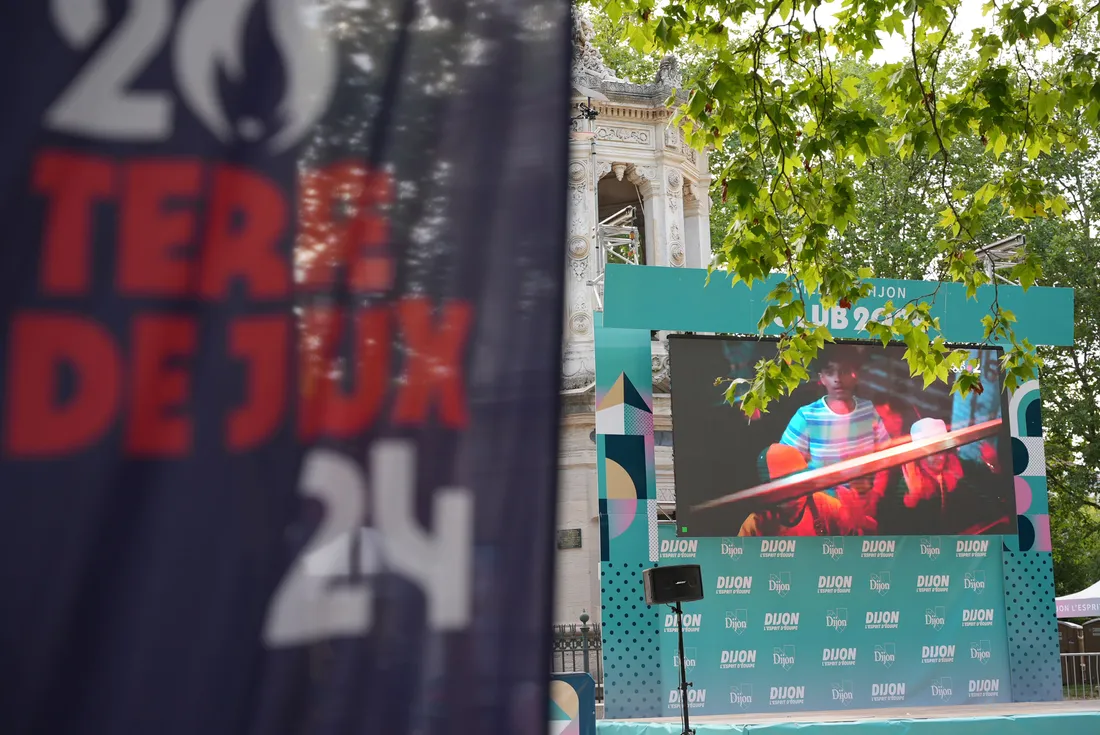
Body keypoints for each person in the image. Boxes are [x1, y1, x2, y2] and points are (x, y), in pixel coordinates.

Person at [778, 347, 891, 519]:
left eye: (844, 371)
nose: (838, 379)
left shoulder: (868, 410)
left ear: (855, 375)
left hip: (864, 511)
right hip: (822, 513)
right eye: (830, 372)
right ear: (822, 378)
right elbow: (783, 466)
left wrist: (875, 496)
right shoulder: (807, 416)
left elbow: (886, 457)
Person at [738, 444, 877, 537]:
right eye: (786, 486)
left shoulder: (823, 505)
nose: (796, 494)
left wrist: (860, 527)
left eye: (800, 482)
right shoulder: (755, 525)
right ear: (769, 491)